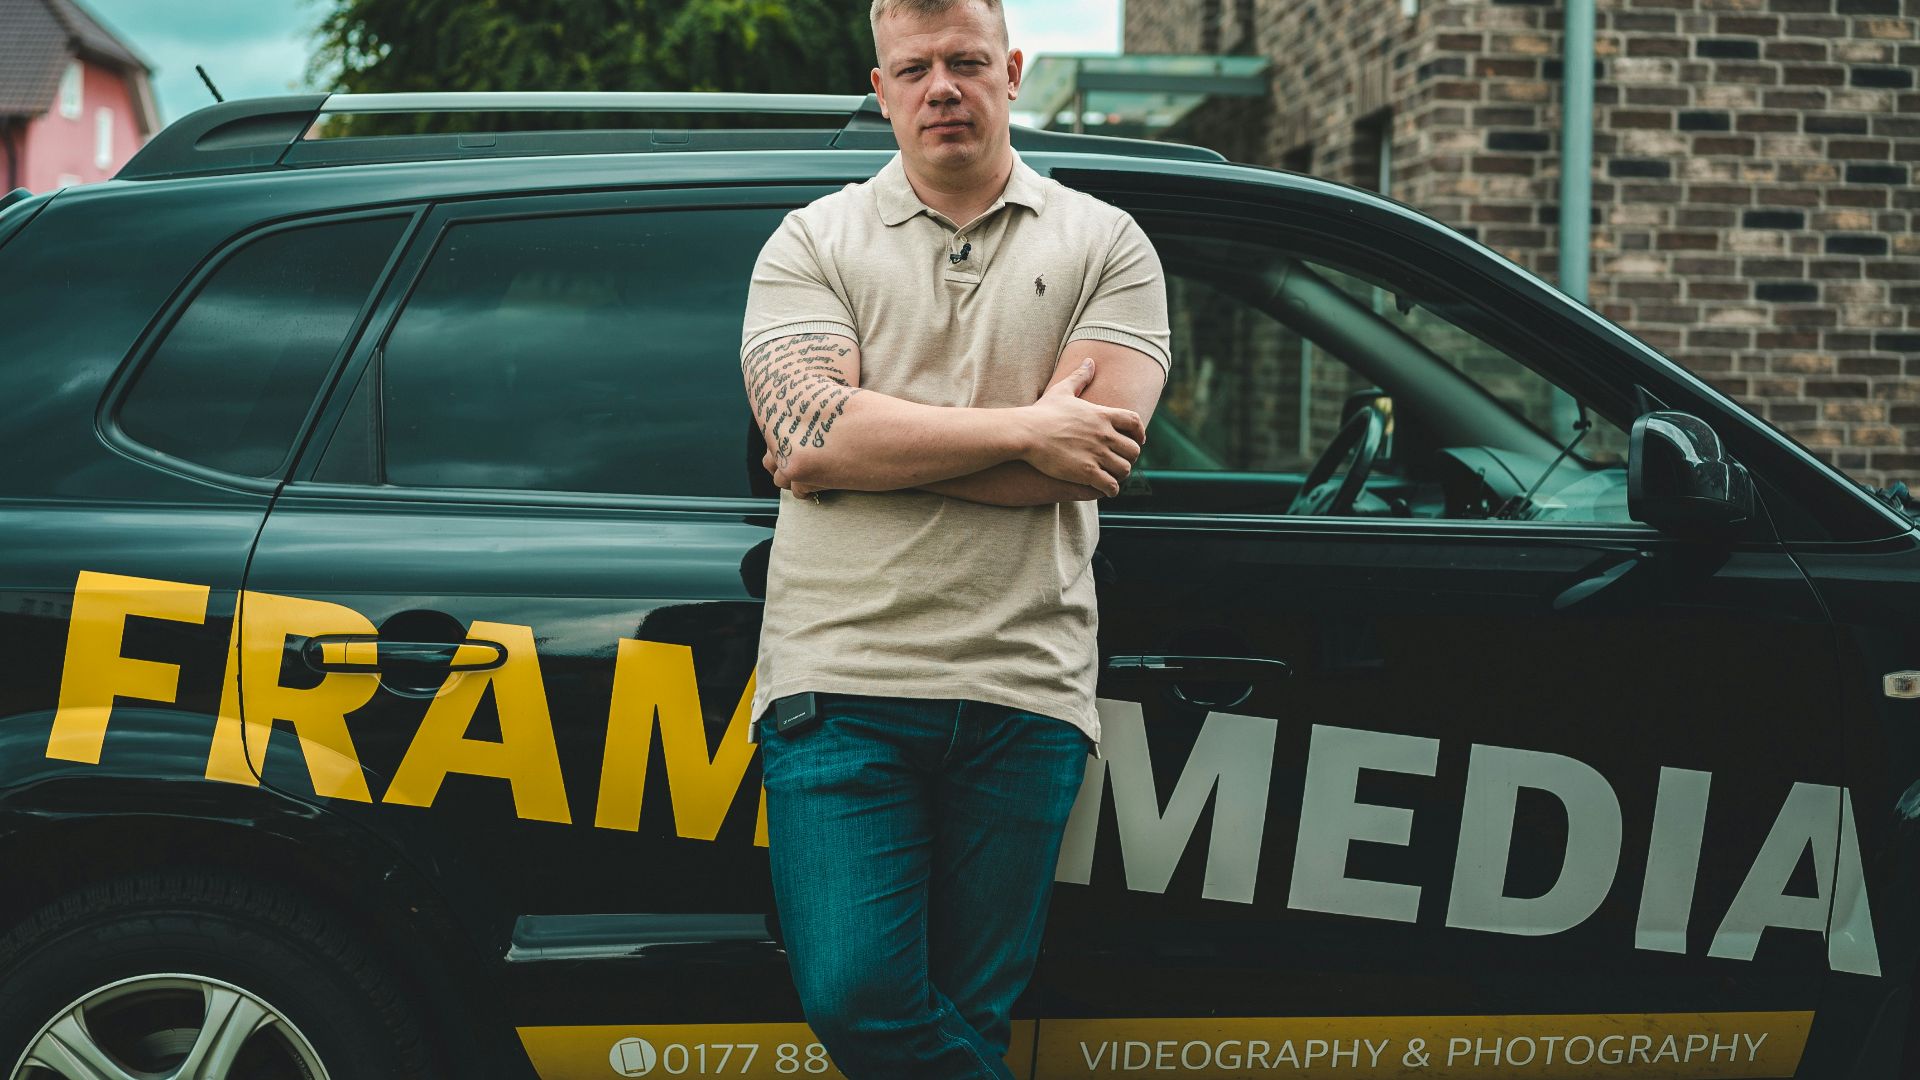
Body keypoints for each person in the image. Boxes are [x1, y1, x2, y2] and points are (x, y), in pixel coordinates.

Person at [737, 0, 1171, 1075]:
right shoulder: (813, 240)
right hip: (842, 681)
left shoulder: (1105, 243)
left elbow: (1090, 462)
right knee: (858, 997)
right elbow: (809, 439)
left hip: (1023, 684)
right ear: (880, 89)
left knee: (972, 1019)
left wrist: (872, 444)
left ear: (1011, 71)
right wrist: (1028, 429)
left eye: (966, 62)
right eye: (915, 67)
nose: (942, 87)